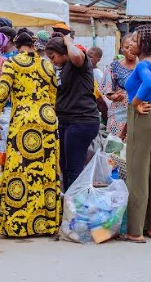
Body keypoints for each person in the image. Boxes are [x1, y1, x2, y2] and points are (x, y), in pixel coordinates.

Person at [0, 31, 61, 237]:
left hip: (24, 119)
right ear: (33, 45)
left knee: (20, 172)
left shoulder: (12, 64)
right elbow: (54, 93)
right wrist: (47, 110)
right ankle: (46, 224)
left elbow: (2, 91)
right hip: (46, 118)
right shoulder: (46, 64)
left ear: (15, 44)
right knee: (45, 172)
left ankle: (19, 226)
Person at [122, 26, 151, 243]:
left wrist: (134, 103)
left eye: (134, 39)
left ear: (144, 45)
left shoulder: (141, 65)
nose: (131, 42)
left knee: (137, 174)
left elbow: (147, 83)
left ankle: (135, 230)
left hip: (143, 116)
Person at [44, 35, 100, 190]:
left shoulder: (79, 63)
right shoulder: (62, 69)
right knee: (65, 165)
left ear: (64, 52)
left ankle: (74, 206)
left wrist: (68, 41)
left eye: (53, 56)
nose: (52, 61)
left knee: (73, 167)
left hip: (81, 121)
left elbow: (76, 56)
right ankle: (70, 203)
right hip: (66, 120)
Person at [102, 34, 139, 136]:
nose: (130, 50)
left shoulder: (143, 65)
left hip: (139, 112)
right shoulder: (114, 66)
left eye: (133, 47)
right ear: (121, 49)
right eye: (127, 47)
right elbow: (107, 90)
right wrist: (113, 96)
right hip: (118, 114)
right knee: (116, 147)